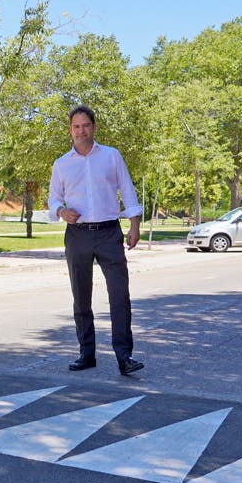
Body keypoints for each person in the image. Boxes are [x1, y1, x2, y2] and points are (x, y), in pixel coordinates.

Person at [48, 105, 145, 376]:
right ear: (70, 130)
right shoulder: (61, 164)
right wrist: (60, 211)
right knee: (81, 296)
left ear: (94, 127)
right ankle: (86, 353)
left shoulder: (111, 156)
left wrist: (134, 225)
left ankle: (124, 356)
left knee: (119, 295)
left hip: (108, 233)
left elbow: (128, 190)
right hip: (77, 234)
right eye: (76, 127)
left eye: (85, 125)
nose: (81, 131)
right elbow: (54, 198)